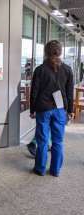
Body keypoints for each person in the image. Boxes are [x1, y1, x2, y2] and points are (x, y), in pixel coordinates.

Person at [30, 40, 74, 177]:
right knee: (58, 141)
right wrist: (70, 110)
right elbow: (69, 92)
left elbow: (34, 92)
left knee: (42, 141)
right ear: (60, 52)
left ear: (46, 52)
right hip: (60, 110)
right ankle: (55, 170)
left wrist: (32, 109)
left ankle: (40, 169)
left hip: (43, 109)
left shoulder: (39, 70)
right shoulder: (67, 70)